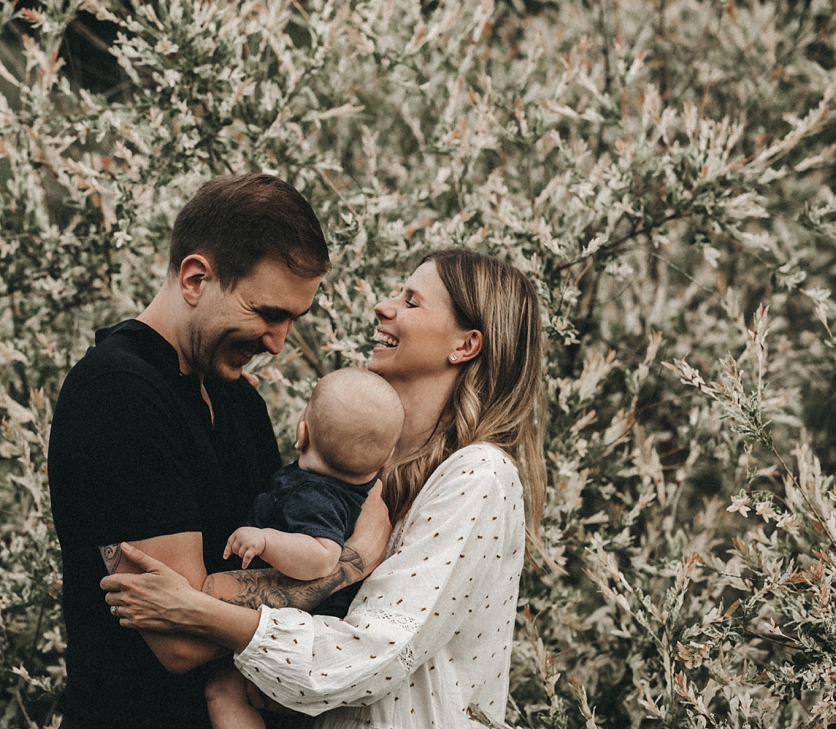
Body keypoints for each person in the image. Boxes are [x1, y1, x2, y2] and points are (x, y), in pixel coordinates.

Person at [101, 248, 547, 729]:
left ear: (466, 344)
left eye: (412, 302)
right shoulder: (359, 462)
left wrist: (198, 611)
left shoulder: (477, 476)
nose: (383, 306)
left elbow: (374, 653)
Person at [46, 173, 392, 729]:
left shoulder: (235, 401)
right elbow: (179, 641)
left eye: (291, 320)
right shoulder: (118, 396)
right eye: (267, 313)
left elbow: (226, 579)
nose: (278, 342)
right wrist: (349, 562)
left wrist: (212, 596)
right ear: (195, 278)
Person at [207, 368, 405, 729]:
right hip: (307, 627)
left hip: (298, 625)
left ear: (302, 433)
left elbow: (322, 556)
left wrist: (267, 540)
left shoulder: (314, 494)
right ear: (387, 456)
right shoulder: (356, 490)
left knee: (222, 692)